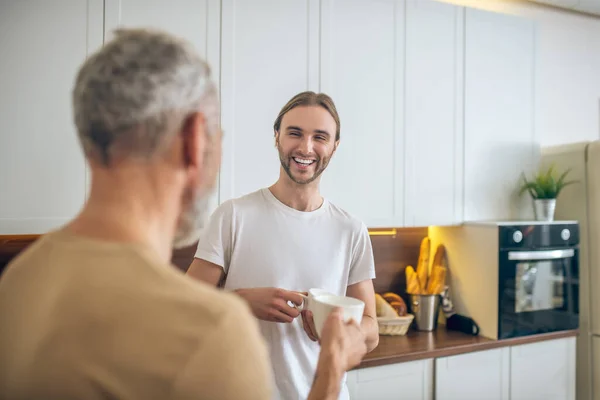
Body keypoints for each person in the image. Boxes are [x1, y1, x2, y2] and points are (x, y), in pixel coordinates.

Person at [0, 28, 367, 400]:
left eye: (320, 136)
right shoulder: (211, 331)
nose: (306, 146)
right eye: (216, 136)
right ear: (195, 140)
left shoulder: (17, 282)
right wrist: (333, 367)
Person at [186, 91, 379, 400]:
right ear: (277, 136)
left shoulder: (351, 229)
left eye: (320, 137)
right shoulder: (233, 216)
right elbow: (183, 309)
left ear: (335, 146)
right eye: (295, 133)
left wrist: (340, 335)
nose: (306, 147)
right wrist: (239, 303)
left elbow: (371, 329)